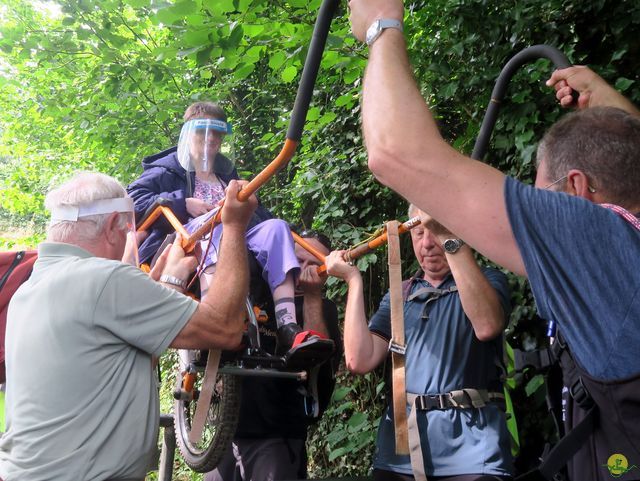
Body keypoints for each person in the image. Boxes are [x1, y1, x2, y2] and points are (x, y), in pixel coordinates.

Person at [346, 2, 640, 479]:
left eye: (545, 194)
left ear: (580, 191)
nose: (542, 206)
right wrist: (611, 105)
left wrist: (381, 24)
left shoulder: (594, 236)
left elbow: (395, 153)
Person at [0, 171, 257, 481]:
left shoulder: (29, 290)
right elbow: (224, 328)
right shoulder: (102, 278)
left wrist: (169, 282)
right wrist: (233, 225)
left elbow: (128, 358)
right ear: (112, 226)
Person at [326, 206, 512, 481]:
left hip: (474, 455)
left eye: (435, 230)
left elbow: (487, 326)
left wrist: (448, 236)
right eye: (418, 233)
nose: (427, 244)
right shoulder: (401, 294)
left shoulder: (489, 280)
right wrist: (353, 281)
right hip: (401, 455)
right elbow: (359, 360)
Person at [127, 101, 329, 353]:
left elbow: (261, 218)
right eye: (203, 131)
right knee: (221, 223)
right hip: (186, 241)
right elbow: (132, 198)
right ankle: (216, 311)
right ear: (188, 133)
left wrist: (293, 236)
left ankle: (288, 326)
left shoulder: (227, 174)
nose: (211, 138)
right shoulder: (168, 169)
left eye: (217, 133)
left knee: (276, 227)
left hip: (231, 238)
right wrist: (182, 202)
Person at [205, 229, 342, 481]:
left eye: (314, 264)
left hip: (277, 434)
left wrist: (312, 296)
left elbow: (319, 360)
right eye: (298, 261)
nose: (303, 271)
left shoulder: (324, 308)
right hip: (225, 433)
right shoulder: (265, 294)